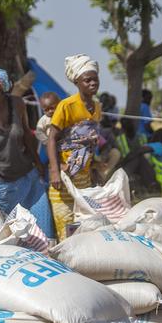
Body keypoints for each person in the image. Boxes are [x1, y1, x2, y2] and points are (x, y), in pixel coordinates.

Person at [0, 69, 54, 238]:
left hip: (28, 178)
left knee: (43, 230)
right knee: (15, 235)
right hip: (0, 185)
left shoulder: (17, 104)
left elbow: (26, 135)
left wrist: (37, 162)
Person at [48, 54, 103, 240]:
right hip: (64, 178)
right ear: (77, 82)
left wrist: (94, 166)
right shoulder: (66, 106)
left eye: (95, 79)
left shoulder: (96, 107)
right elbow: (51, 139)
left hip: (84, 179)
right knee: (66, 227)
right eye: (87, 80)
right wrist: (55, 171)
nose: (92, 83)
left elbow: (91, 141)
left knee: (83, 227)